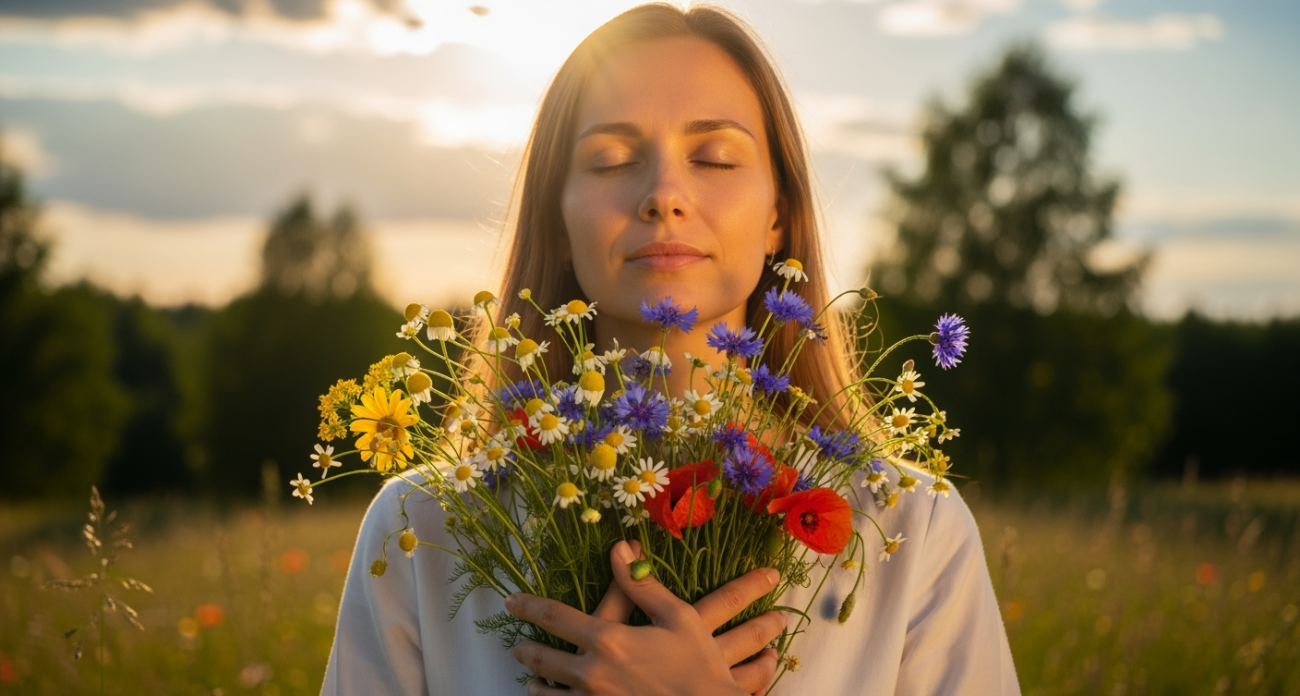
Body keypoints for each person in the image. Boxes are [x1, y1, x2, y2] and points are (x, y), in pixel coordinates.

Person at [321, 4, 1020, 695]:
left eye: (715, 157)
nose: (664, 195)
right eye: (611, 159)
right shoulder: (428, 528)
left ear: (779, 213)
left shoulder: (908, 529)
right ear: (556, 221)